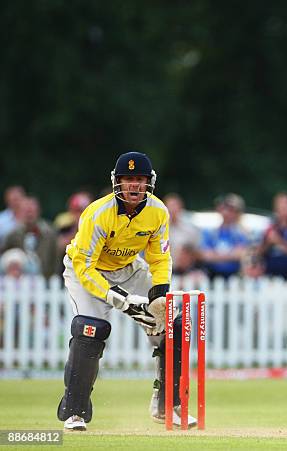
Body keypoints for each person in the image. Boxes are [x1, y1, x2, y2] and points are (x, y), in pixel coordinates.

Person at [56, 151, 196, 431]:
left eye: (140, 179)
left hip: (128, 268)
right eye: (128, 179)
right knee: (90, 329)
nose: (134, 185)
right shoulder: (98, 214)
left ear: (149, 182)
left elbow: (159, 258)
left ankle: (167, 405)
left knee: (174, 322)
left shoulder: (158, 212)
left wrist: (159, 291)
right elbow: (85, 267)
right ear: (117, 182)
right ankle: (75, 411)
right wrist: (118, 299)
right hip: (87, 270)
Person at [199, 193, 249, 278]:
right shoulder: (211, 232)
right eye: (225, 209)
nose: (227, 213)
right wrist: (230, 255)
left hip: (234, 276)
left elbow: (242, 253)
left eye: (232, 210)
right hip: (212, 275)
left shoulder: (241, 233)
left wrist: (216, 256)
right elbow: (205, 255)